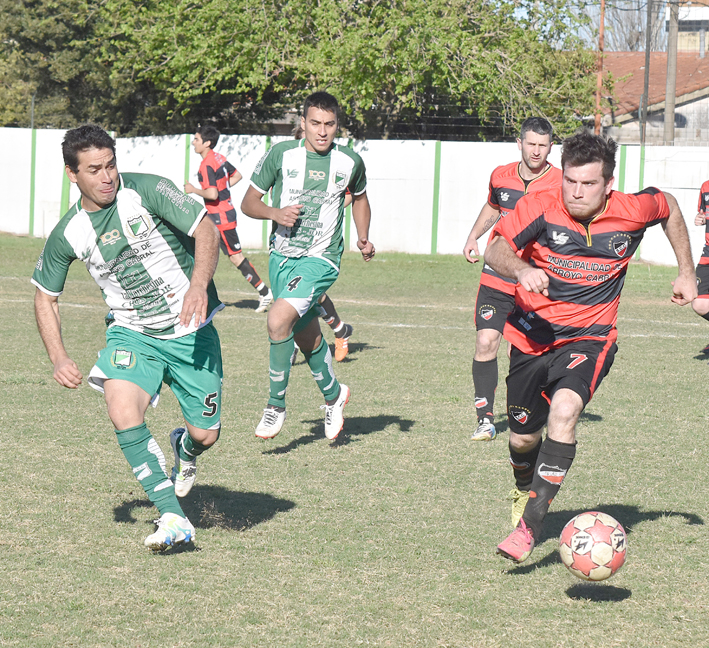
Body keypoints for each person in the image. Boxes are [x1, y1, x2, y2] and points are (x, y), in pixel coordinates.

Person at [484, 130, 696, 564]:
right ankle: (523, 483)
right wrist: (522, 269)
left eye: (588, 184)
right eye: (571, 181)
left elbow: (669, 205)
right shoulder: (541, 205)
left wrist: (686, 271)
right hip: (531, 334)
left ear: (608, 185)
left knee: (565, 413)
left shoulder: (632, 210)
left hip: (591, 336)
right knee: (523, 438)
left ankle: (529, 527)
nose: (576, 192)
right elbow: (497, 250)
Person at [32, 124, 224, 552]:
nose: (107, 177)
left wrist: (197, 284)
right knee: (121, 406)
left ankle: (185, 449)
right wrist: (59, 356)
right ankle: (172, 515)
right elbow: (45, 298)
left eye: (111, 165)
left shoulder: (149, 189)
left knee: (205, 434)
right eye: (94, 170)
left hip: (191, 330)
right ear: (72, 174)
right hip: (132, 332)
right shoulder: (70, 232)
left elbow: (207, 230)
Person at [241, 91, 374, 441]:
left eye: (329, 125)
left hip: (321, 259)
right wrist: (274, 213)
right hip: (282, 258)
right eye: (315, 123)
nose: (322, 131)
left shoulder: (349, 161)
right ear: (303, 123)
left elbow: (360, 199)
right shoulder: (282, 155)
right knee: (306, 337)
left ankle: (275, 405)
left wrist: (363, 237)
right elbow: (248, 202)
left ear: (337, 126)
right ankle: (334, 396)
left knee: (277, 319)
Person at [463, 117, 562, 442]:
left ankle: (529, 412)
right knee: (485, 341)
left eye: (542, 145)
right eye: (531, 144)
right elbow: (494, 206)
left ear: (551, 147)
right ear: (520, 143)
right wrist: (473, 236)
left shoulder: (560, 183)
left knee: (526, 354)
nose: (536, 151)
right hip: (497, 274)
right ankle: (485, 419)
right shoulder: (500, 175)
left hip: (534, 282)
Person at [185, 125, 273, 313]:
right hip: (222, 214)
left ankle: (264, 292)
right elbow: (237, 176)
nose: (193, 143)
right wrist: (222, 190)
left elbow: (212, 193)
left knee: (232, 257)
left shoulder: (207, 164)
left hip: (220, 218)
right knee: (204, 252)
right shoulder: (219, 158)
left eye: (196, 139)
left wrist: (194, 190)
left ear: (207, 143)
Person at [693, 179, 709, 352]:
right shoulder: (705, 186)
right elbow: (702, 213)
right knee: (700, 303)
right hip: (708, 254)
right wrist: (700, 219)